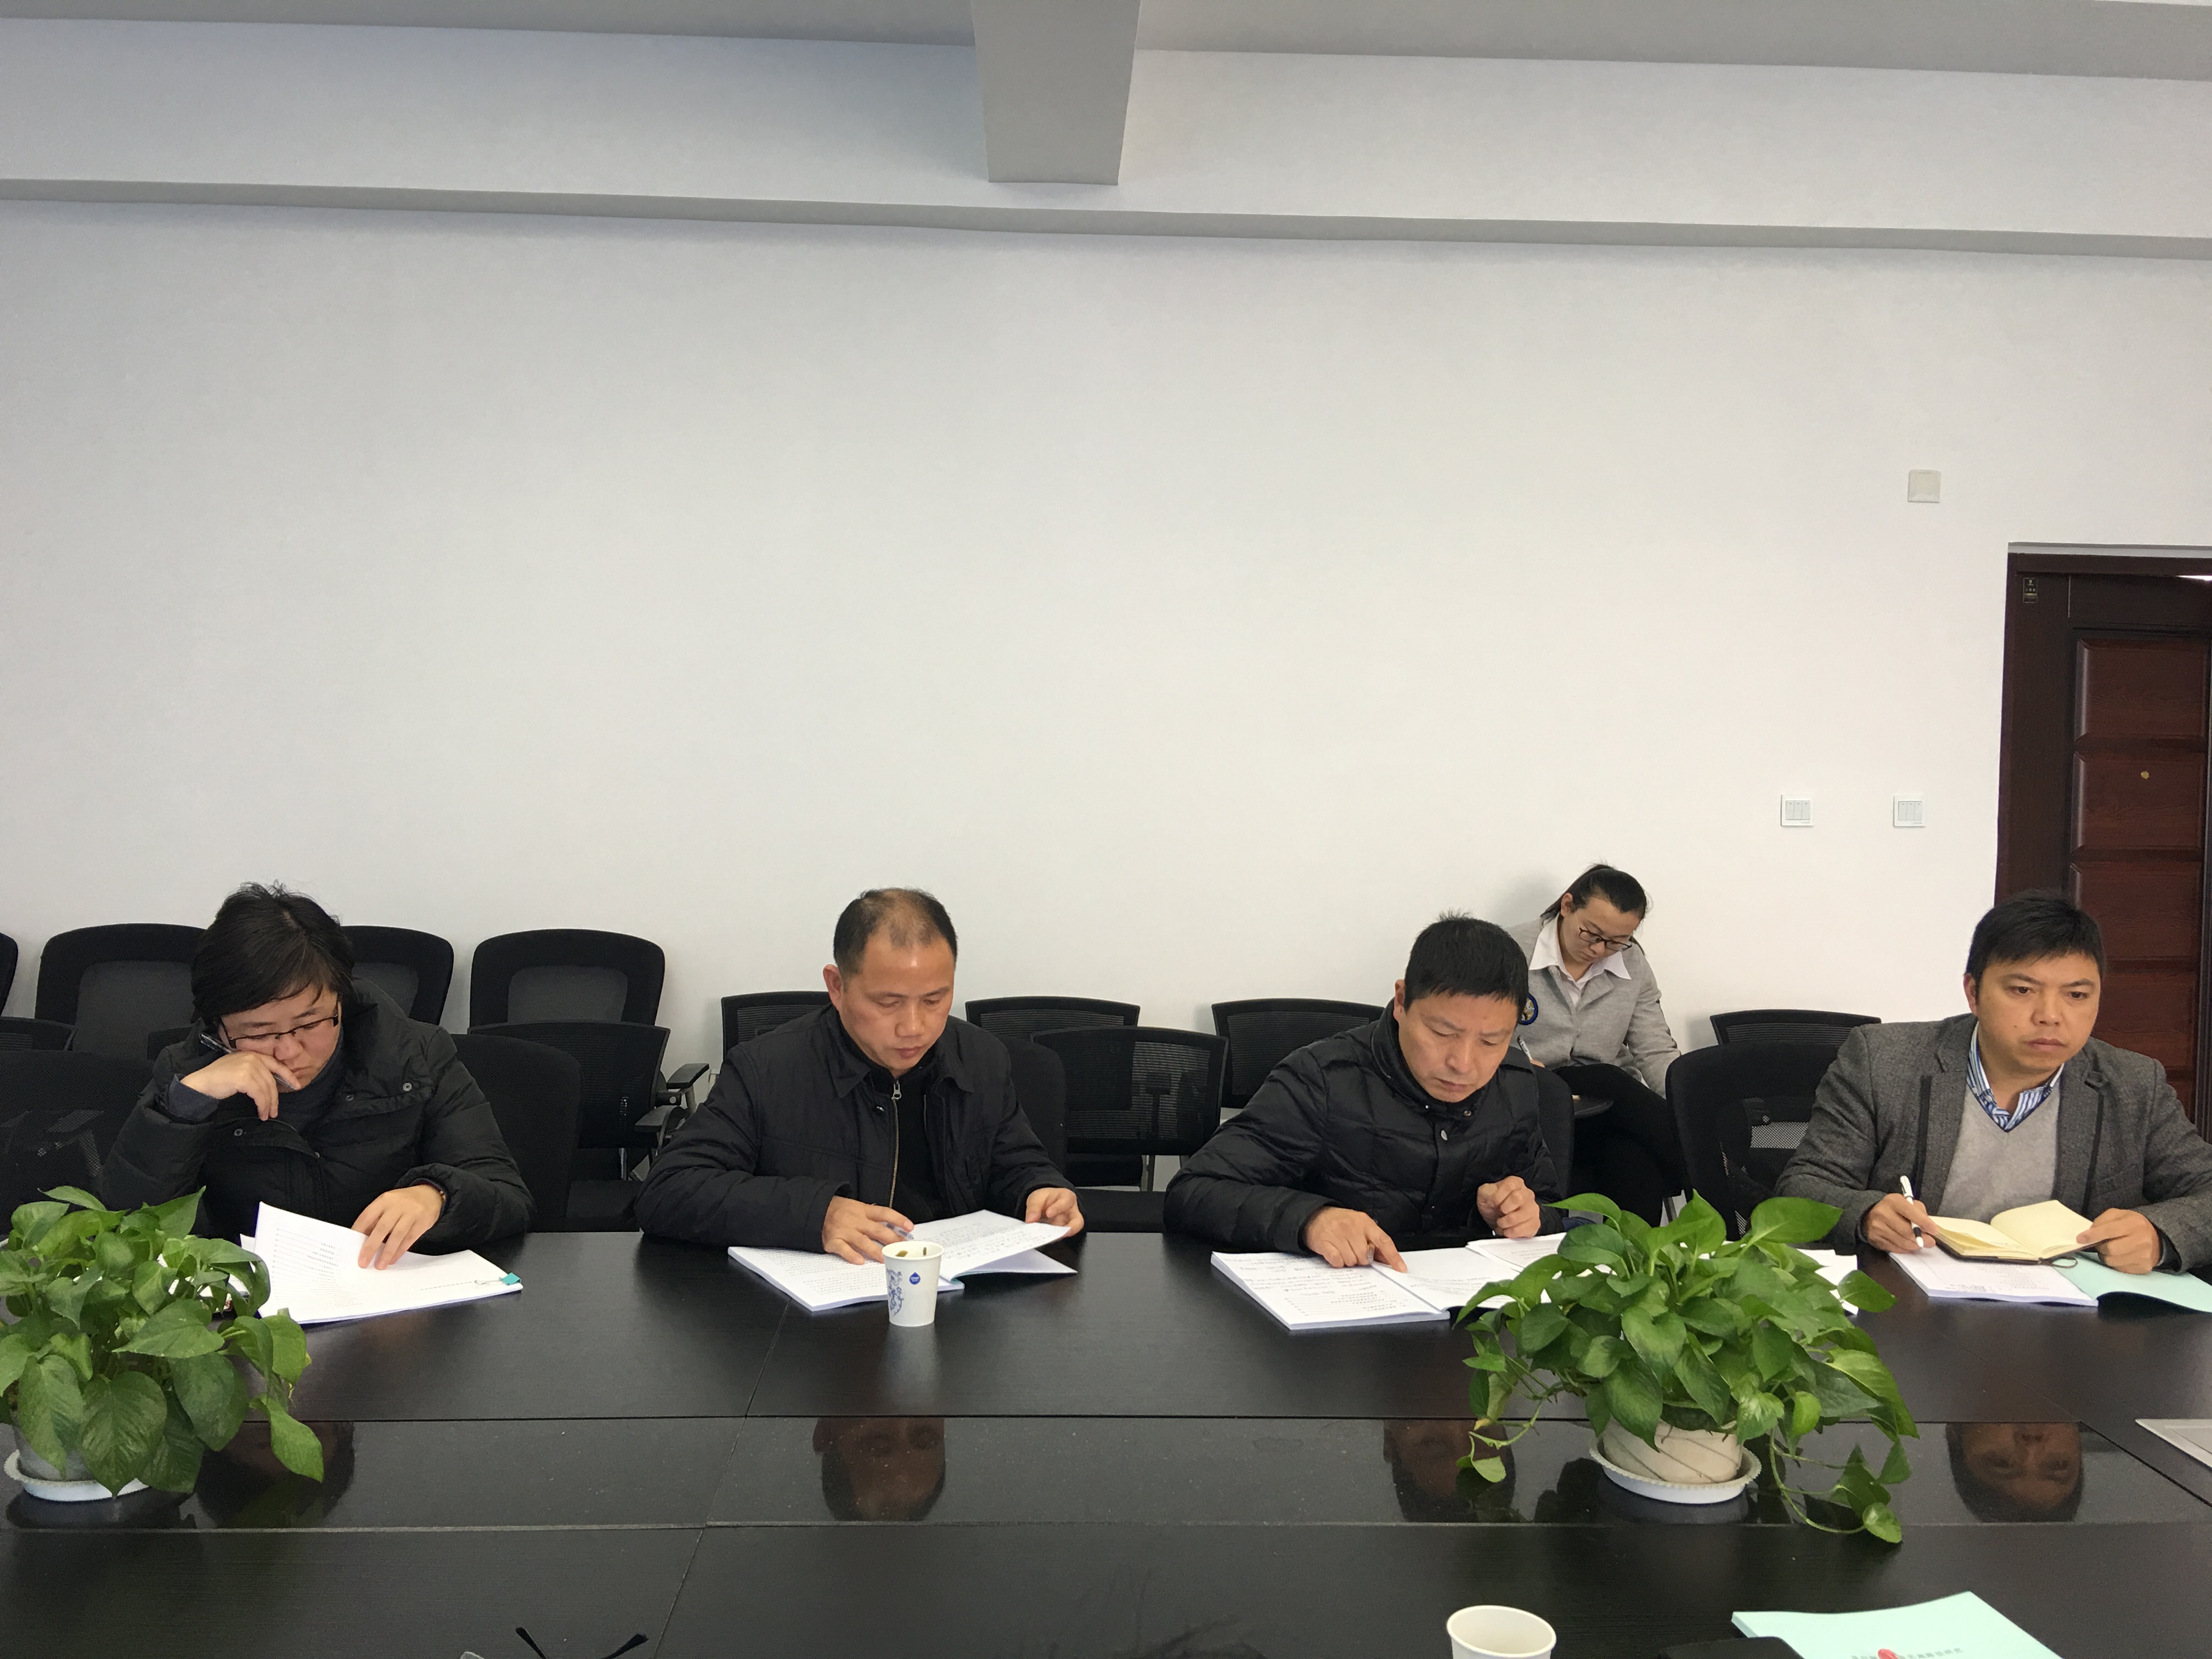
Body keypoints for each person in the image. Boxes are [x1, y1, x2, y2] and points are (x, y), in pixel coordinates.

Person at [636, 888, 1082, 1261]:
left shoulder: (982, 1059)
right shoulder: (766, 1070)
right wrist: (818, 1215)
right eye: (888, 1003)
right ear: (837, 986)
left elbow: (1015, 1163)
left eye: (934, 1000)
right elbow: (668, 1191)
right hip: (822, 1315)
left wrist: (1039, 1191)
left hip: (955, 1303)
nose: (914, 1027)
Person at [1779, 891, 2212, 1273]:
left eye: (2076, 995)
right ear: (1974, 993)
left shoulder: (2134, 1085)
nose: (2050, 1015)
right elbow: (1803, 1188)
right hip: (1909, 1305)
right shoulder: (1884, 1062)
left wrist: (2161, 1236)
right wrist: (1866, 1214)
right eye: (2023, 990)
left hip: (2071, 1320)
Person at [102, 884, 532, 1266]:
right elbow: (121, 1233)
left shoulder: (415, 1057)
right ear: (218, 1027)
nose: (289, 1050)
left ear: (341, 998)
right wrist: (185, 1109)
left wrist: (436, 1195)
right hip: (245, 1310)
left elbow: (508, 1198)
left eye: (310, 1023)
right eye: (259, 1033)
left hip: (388, 1300)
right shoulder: (187, 1075)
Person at [1164, 914, 1562, 1265]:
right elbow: (1194, 1191)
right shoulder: (1322, 1080)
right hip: (1338, 1307)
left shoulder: (1514, 1083)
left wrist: (1525, 1215)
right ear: (1402, 1001)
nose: (1463, 1063)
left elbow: (1551, 1206)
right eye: (1443, 1033)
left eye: (1491, 1041)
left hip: (1466, 1308)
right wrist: (1310, 1220)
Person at [1508, 865, 1686, 1224]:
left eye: (1617, 941)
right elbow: (1479, 1035)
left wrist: (1687, 1098)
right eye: (1591, 933)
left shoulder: (1632, 962)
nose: (1600, 949)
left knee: (1636, 1161)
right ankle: (1713, 1170)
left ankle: (1636, 1261)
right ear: (1567, 906)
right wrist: (1516, 1062)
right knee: (1609, 1077)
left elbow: (1654, 1049)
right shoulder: (1510, 951)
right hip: (1534, 1103)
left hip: (1601, 1112)